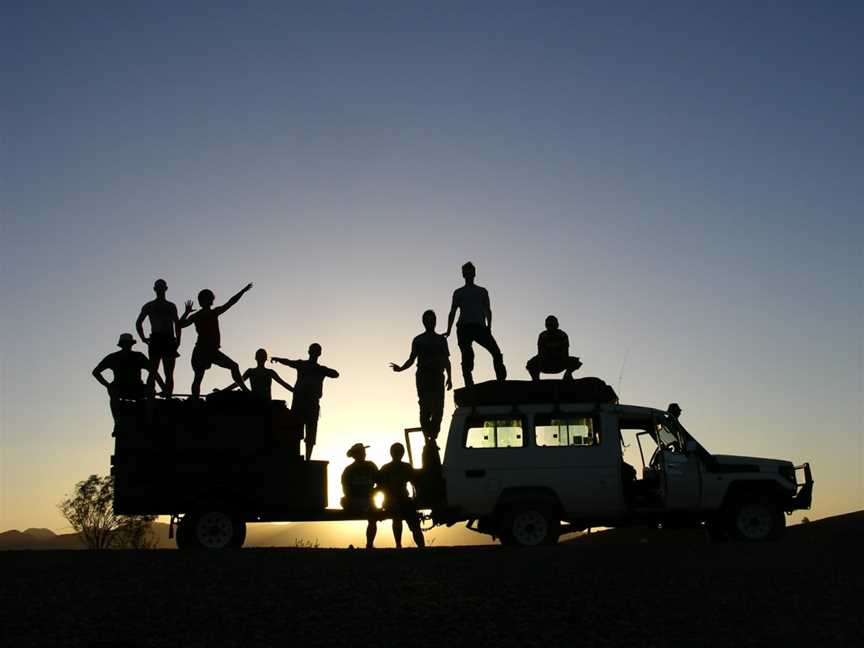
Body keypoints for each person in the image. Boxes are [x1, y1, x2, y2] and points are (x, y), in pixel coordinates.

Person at [179, 283, 253, 397]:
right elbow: (180, 325)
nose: (212, 301)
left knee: (233, 366)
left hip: (211, 351)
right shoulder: (201, 315)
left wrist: (242, 291)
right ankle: (195, 399)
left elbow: (230, 302)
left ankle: (245, 390)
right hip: (201, 351)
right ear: (204, 300)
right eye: (210, 299)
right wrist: (186, 312)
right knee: (198, 377)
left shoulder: (212, 312)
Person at [390, 310, 452, 441]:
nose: (430, 322)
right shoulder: (418, 340)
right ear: (424, 322)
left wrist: (450, 377)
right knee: (425, 408)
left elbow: (446, 360)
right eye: (427, 320)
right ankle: (427, 438)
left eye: (432, 320)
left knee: (438, 408)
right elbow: (412, 359)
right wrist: (401, 368)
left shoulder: (441, 340)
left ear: (435, 322)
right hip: (423, 376)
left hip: (438, 376)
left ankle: (433, 438)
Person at [271, 344, 339, 461]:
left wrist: (321, 370)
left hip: (312, 403)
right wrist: (278, 359)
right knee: (295, 429)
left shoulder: (320, 369)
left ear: (319, 353)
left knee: (310, 432)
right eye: (313, 350)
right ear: (309, 352)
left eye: (316, 351)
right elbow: (288, 362)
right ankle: (295, 455)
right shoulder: (302, 364)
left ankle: (308, 459)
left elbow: (336, 374)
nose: (314, 353)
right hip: (299, 402)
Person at [444, 261, 506, 387]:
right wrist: (449, 330)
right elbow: (452, 311)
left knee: (496, 352)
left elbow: (488, 310)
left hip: (480, 327)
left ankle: (501, 381)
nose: (467, 274)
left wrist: (489, 327)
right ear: (463, 275)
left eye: (470, 272)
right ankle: (469, 385)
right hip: (464, 328)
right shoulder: (458, 292)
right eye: (465, 272)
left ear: (474, 273)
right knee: (467, 356)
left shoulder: (482, 291)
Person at [135, 278, 181, 396]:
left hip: (168, 339)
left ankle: (168, 395)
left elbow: (177, 324)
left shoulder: (171, 306)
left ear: (165, 289)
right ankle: (151, 394)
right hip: (156, 338)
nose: (160, 290)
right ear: (155, 289)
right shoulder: (149, 305)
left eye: (162, 287)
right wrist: (143, 338)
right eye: (158, 287)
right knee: (153, 370)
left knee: (168, 372)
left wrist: (178, 340)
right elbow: (138, 323)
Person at [377, 442, 425, 549]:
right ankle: (404, 545)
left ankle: (420, 546)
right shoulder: (393, 468)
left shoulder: (400, 467)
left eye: (398, 452)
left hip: (401, 500)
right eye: (396, 452)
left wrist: (415, 499)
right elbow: (415, 483)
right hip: (392, 501)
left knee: (412, 521)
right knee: (400, 517)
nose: (397, 453)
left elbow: (415, 483)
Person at [92, 333, 156, 400]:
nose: (127, 345)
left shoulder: (138, 356)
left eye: (128, 343)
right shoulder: (113, 357)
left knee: (150, 391)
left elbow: (153, 371)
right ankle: (117, 410)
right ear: (122, 344)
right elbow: (95, 372)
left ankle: (148, 409)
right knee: (114, 394)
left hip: (137, 388)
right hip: (120, 388)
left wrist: (161, 387)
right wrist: (108, 386)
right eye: (126, 343)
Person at [341, 443, 379, 549]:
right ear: (356, 455)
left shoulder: (349, 470)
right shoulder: (370, 466)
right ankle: (370, 544)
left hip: (357, 501)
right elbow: (380, 482)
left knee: (372, 516)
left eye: (363, 452)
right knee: (373, 515)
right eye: (362, 452)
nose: (364, 454)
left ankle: (370, 544)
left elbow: (345, 490)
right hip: (360, 500)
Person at [215, 349, 294, 400]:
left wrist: (295, 391)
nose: (261, 357)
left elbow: (283, 383)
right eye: (259, 355)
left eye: (262, 355)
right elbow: (237, 383)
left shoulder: (270, 372)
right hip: (254, 401)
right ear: (256, 358)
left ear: (265, 358)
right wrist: (222, 391)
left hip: (266, 403)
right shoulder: (251, 371)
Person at [525, 315, 583, 381]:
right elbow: (541, 351)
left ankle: (567, 375)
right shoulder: (543, 335)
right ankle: (536, 379)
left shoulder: (562, 335)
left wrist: (558, 356)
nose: (551, 326)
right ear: (546, 325)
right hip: (545, 361)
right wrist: (547, 356)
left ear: (557, 324)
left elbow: (565, 352)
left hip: (559, 361)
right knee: (530, 364)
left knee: (574, 361)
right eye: (549, 324)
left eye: (553, 324)